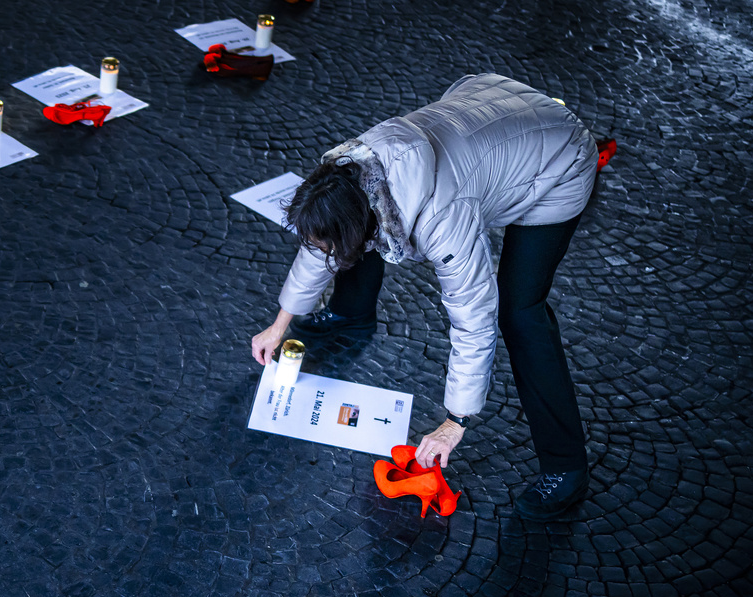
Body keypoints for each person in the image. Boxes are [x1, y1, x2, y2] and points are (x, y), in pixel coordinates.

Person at [251, 73, 599, 520]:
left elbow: (474, 315)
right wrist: (280, 324)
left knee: (520, 311)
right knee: (352, 236)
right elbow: (324, 239)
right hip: (493, 108)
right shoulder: (350, 172)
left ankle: (567, 467)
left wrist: (456, 421)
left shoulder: (442, 218)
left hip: (558, 160)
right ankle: (351, 313)